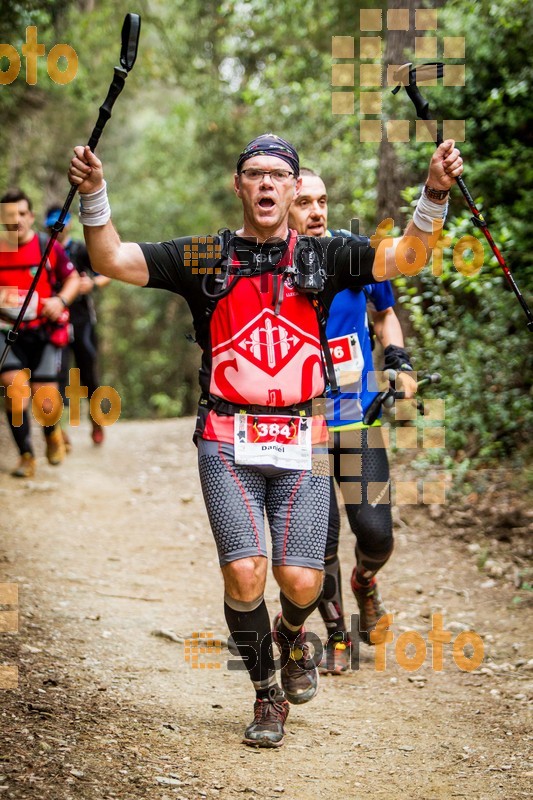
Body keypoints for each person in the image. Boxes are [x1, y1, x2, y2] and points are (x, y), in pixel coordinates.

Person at [68, 133, 462, 747]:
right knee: (246, 574)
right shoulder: (205, 257)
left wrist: (435, 190)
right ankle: (267, 693)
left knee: (302, 583)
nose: (268, 184)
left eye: (280, 174)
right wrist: (94, 194)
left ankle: (292, 633)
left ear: (292, 185)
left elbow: (407, 257)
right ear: (239, 185)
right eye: (255, 173)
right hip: (226, 437)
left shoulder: (326, 257)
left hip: (304, 437)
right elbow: (111, 259)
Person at [289, 169, 417, 675]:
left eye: (323, 200)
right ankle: (338, 633)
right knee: (320, 541)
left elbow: (384, 315)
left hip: (355, 413)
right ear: (285, 209)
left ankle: (365, 579)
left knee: (377, 533)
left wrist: (399, 360)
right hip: (302, 420)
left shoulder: (357, 253)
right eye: (305, 203)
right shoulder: (272, 267)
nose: (317, 211)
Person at [0, 189, 80, 478]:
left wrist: (60, 300)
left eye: (21, 213)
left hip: (44, 332)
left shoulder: (48, 246)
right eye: (9, 215)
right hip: (8, 332)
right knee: (14, 389)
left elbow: (72, 278)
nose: (16, 220)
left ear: (31, 217)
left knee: (45, 400)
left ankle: (51, 435)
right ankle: (26, 456)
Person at [44, 206, 110, 447]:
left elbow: (107, 273)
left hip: (82, 322)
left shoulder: (81, 250)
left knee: (88, 375)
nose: (56, 229)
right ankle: (58, 432)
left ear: (69, 224)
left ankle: (97, 422)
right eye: (52, 225)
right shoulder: (45, 251)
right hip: (53, 323)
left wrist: (90, 284)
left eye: (60, 224)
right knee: (56, 377)